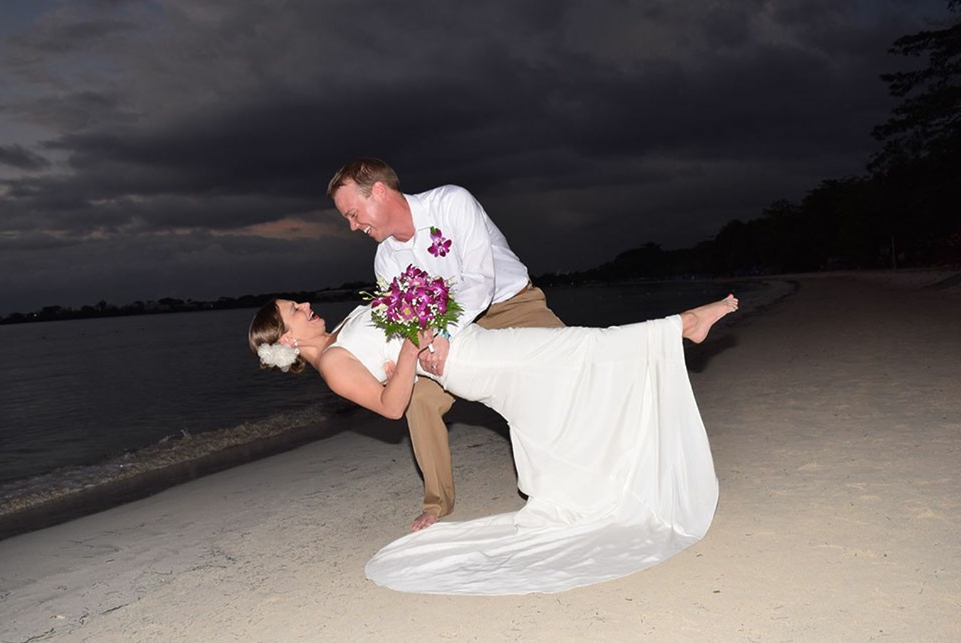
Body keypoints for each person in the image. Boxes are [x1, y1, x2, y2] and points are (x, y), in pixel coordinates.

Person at [247, 293, 739, 595]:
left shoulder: (341, 333)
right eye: (295, 311)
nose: (306, 306)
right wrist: (408, 347)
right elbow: (390, 405)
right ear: (287, 340)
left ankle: (599, 474)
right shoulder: (333, 364)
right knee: (580, 349)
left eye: (299, 303)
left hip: (469, 346)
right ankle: (683, 326)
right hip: (472, 363)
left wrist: (419, 322)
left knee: (567, 384)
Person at [326, 158, 564, 531]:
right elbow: (406, 324)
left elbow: (480, 282)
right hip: (444, 335)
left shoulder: (452, 202)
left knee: (575, 361)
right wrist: (400, 365)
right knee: (419, 400)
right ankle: (438, 501)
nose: (353, 226)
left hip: (511, 305)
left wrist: (442, 333)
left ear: (379, 191)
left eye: (353, 214)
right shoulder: (386, 260)